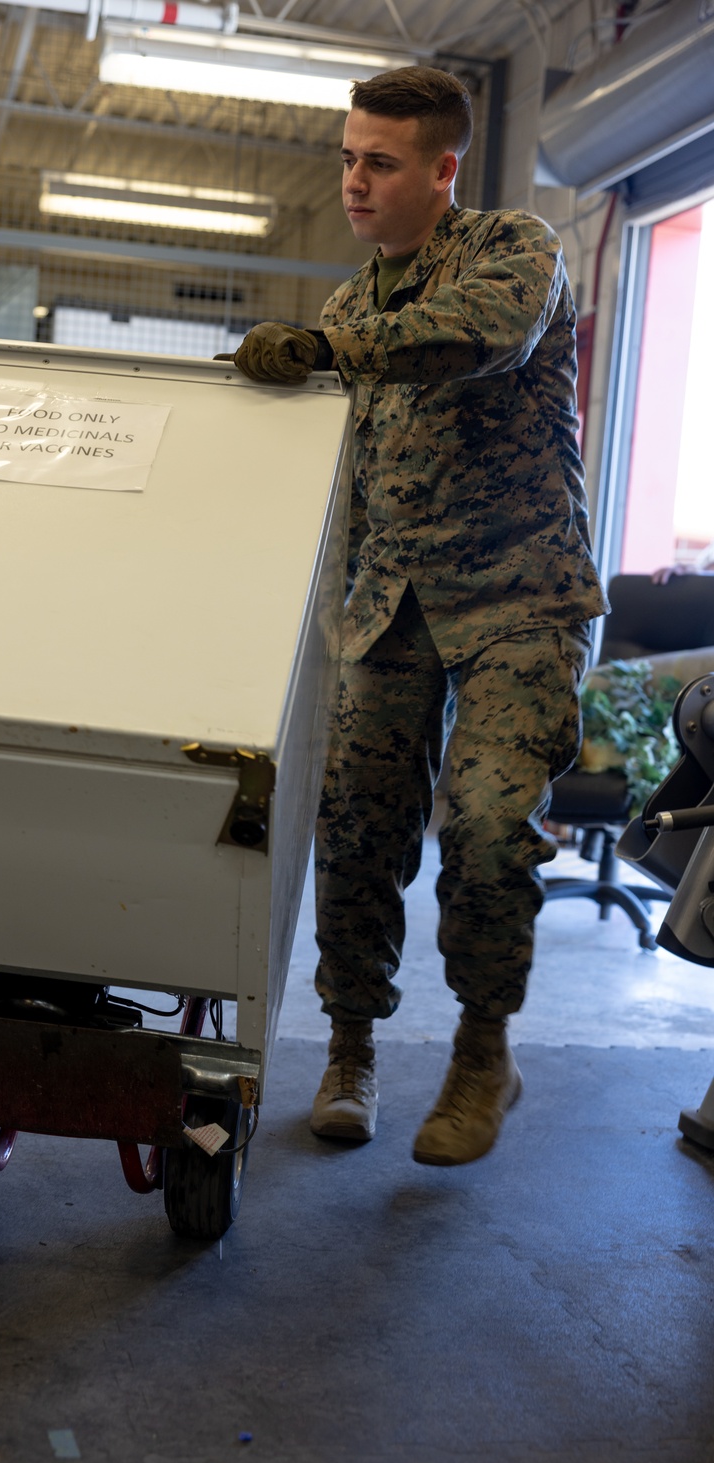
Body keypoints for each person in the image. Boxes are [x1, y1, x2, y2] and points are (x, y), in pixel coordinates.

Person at [218, 66, 608, 1166]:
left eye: (379, 162)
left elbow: (478, 337)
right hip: (386, 606)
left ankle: (484, 1052)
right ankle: (350, 1048)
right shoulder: (350, 302)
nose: (353, 180)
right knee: (354, 833)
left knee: (484, 832)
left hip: (518, 603)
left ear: (442, 171)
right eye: (347, 156)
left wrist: (329, 352)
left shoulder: (514, 251)